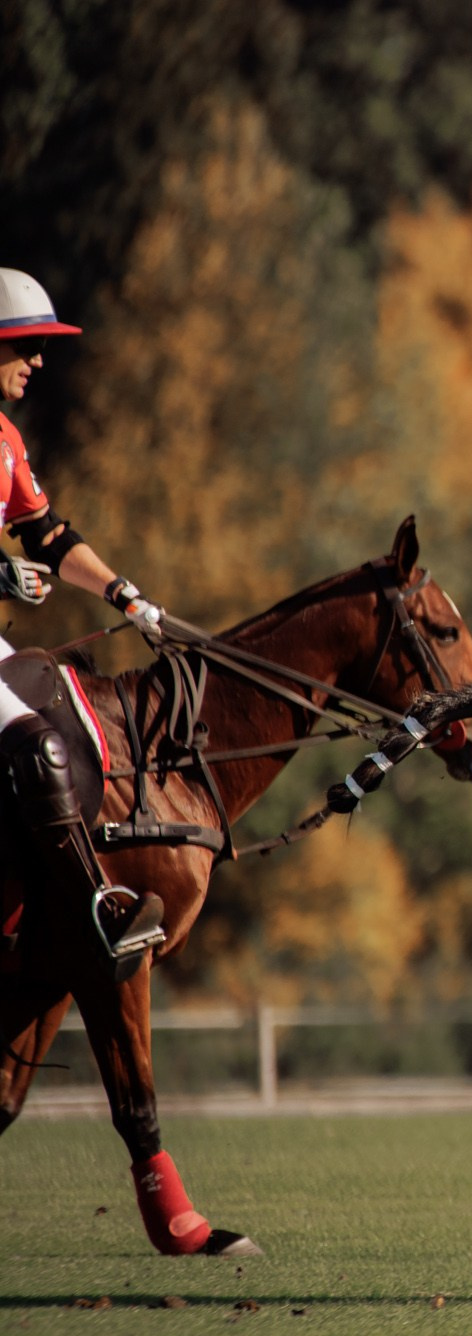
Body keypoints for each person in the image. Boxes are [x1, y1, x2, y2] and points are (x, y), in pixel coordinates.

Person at [0, 267, 168, 961]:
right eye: (25, 344)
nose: (37, 360)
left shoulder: (5, 439)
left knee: (71, 728)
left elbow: (49, 534)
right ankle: (90, 906)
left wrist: (121, 592)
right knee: (41, 744)